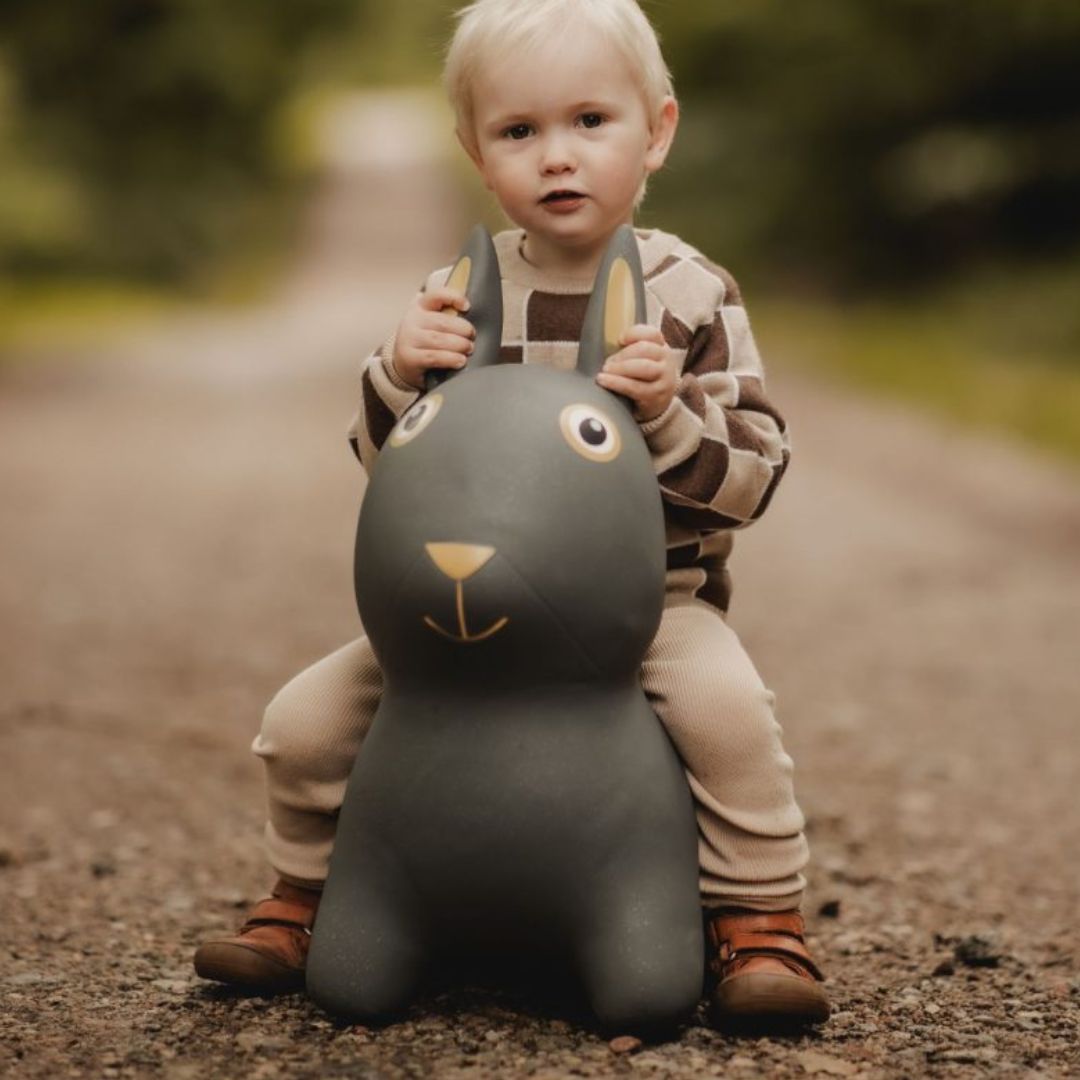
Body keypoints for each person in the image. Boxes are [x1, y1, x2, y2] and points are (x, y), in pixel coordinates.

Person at [194, 0, 829, 1029]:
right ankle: (305, 897)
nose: (557, 158)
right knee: (300, 725)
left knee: (728, 716)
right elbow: (391, 468)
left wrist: (666, 414)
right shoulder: (461, 292)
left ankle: (758, 918)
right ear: (476, 154)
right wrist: (398, 371)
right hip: (461, 608)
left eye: (590, 121)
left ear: (656, 130)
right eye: (519, 131)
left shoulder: (689, 294)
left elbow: (754, 476)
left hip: (647, 604)